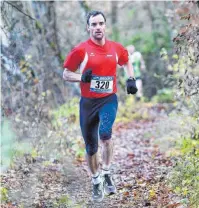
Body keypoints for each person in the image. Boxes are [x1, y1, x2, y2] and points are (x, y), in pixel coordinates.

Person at [62, 11, 138, 202]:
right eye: (93, 24)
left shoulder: (115, 48)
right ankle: (96, 180)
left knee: (105, 133)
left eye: (101, 24)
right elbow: (66, 73)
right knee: (90, 147)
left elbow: (126, 60)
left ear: (105, 26)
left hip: (108, 99)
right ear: (88, 27)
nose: (98, 28)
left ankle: (106, 172)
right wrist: (81, 77)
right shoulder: (80, 50)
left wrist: (131, 78)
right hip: (88, 103)